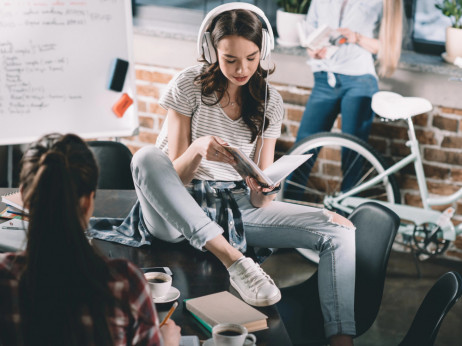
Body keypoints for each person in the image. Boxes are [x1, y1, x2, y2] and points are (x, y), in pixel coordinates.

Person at [129, 3, 357, 345]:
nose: (242, 69)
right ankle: (235, 261)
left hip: (233, 207)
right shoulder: (187, 85)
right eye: (230, 59)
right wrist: (197, 149)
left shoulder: (270, 100)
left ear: (262, 50)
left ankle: (342, 341)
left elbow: (260, 201)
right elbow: (172, 176)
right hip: (175, 210)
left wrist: (263, 189)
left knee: (338, 233)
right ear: (211, 51)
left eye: (251, 58)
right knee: (146, 157)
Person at [0, 133, 181, 346]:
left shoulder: (4, 276)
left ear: (25, 198)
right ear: (88, 203)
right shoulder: (125, 283)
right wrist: (167, 343)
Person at [291, 0, 403, 193]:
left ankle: (349, 215)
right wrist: (313, 50)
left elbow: (389, 49)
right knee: (302, 148)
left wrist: (356, 37)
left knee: (353, 156)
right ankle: (287, 206)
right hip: (324, 78)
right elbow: (310, 33)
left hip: (359, 81)